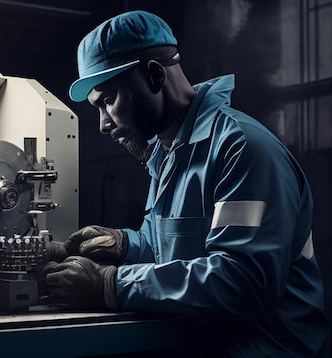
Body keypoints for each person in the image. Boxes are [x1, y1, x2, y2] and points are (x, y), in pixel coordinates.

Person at [43, 10, 330, 357]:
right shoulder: (168, 154)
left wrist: (111, 284)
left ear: (153, 74)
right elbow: (174, 250)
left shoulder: (241, 148)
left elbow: (243, 281)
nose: (104, 124)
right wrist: (124, 245)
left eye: (108, 101)